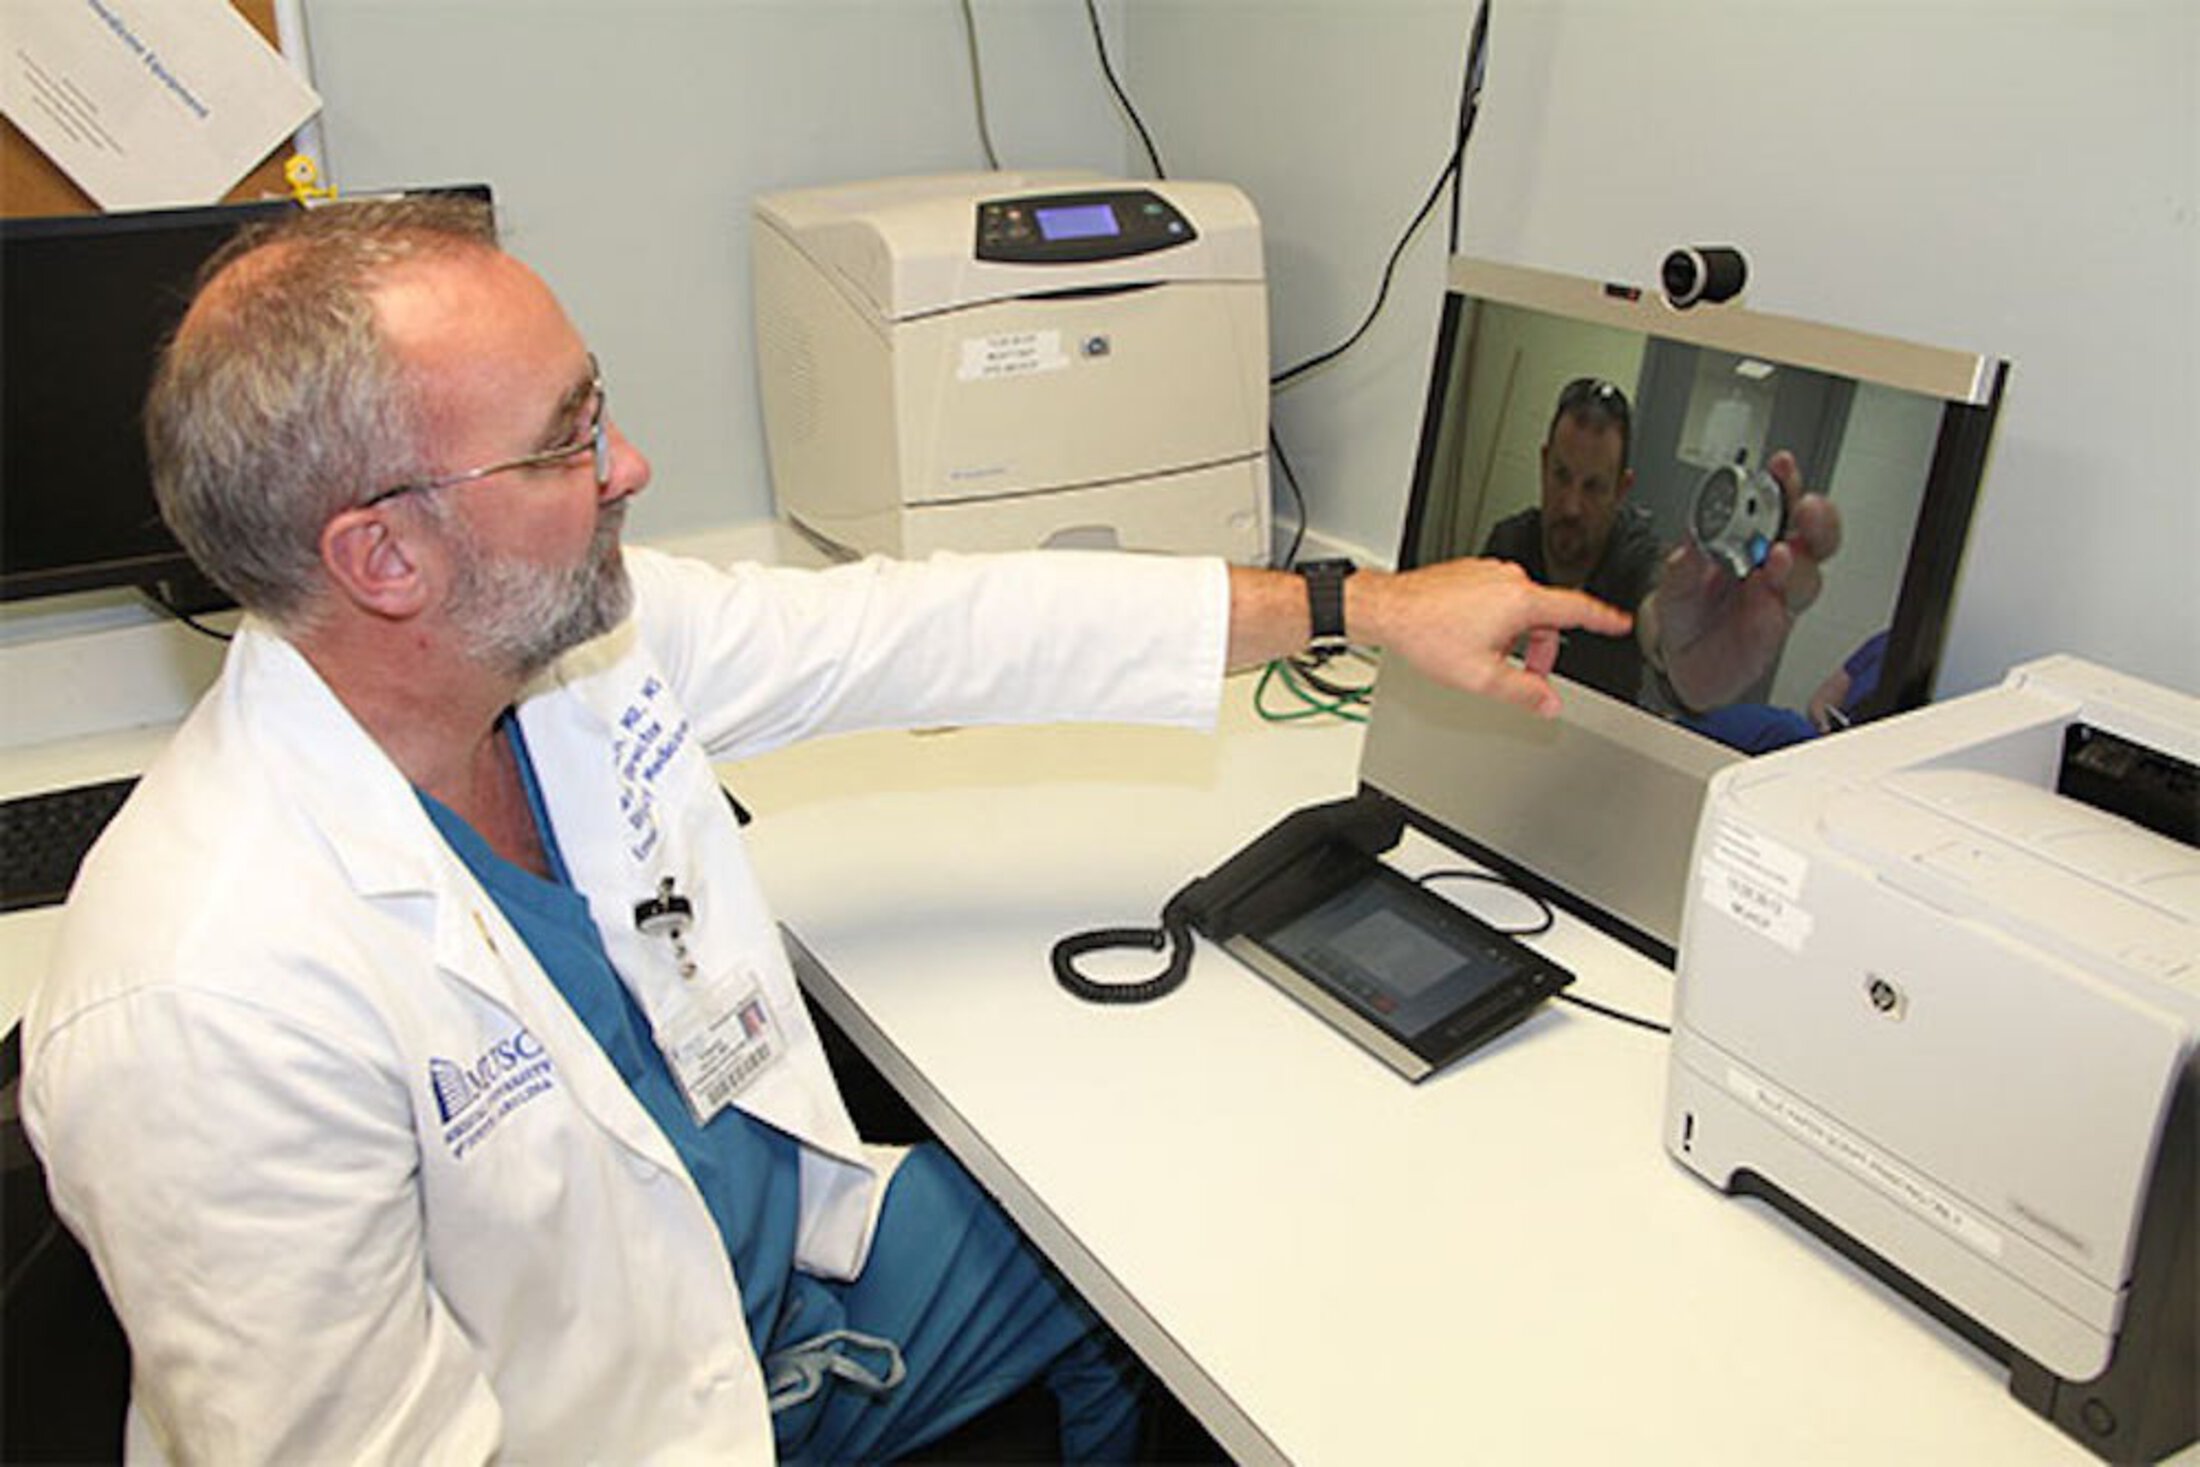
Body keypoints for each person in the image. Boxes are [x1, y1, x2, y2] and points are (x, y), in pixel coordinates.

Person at [18, 196, 1629, 1465]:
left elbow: (938, 628)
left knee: (1150, 1231)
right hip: (632, 1425)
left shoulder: (563, 656)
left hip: (780, 1274)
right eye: (567, 440)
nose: (630, 465)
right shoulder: (204, 1002)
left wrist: (1363, 606)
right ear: (384, 558)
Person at [1481, 376, 1842, 712]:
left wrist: (1681, 652)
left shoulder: (1636, 559)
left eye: (1593, 487)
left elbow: (1656, 617)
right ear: (1544, 464)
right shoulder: (1507, 546)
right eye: (1561, 476)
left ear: (1622, 489)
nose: (1571, 505)